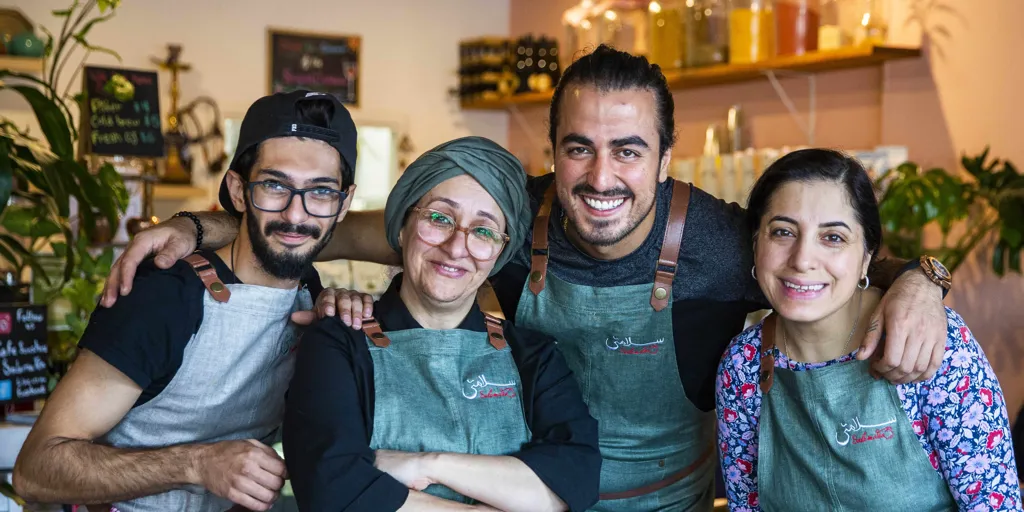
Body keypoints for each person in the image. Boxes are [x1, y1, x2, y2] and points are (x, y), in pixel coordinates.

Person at [98, 45, 952, 511]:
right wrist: (198, 223)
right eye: (579, 148)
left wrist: (923, 280)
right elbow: (324, 225)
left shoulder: (726, 242)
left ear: (666, 159)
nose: (602, 176)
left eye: (628, 151)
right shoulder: (504, 217)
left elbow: (832, 261)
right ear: (552, 153)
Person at [12, 89, 358, 512]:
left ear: (344, 204)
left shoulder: (310, 294)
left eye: (321, 191)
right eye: (274, 185)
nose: (296, 215)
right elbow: (35, 469)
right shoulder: (165, 297)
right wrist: (197, 463)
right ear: (237, 190)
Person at [283, 136, 601, 511]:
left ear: (498, 254)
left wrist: (429, 464)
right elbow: (332, 489)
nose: (455, 247)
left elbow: (576, 478)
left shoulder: (534, 355)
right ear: (402, 227)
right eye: (439, 218)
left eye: (483, 231)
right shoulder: (338, 343)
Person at [716, 148, 1022, 511]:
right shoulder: (744, 365)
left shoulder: (929, 341)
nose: (802, 260)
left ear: (866, 256)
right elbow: (745, 505)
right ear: (756, 243)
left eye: (833, 237)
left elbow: (994, 504)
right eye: (783, 232)